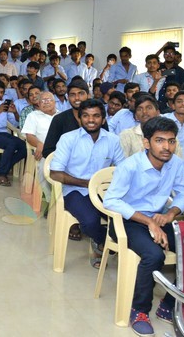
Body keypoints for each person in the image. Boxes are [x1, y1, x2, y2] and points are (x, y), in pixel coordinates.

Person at [102, 116, 184, 335]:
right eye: (160, 140)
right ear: (146, 143)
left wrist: (171, 213)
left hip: (159, 218)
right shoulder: (130, 166)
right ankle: (139, 310)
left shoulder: (175, 164)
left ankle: (169, 305)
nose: (167, 147)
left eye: (171, 141)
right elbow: (111, 200)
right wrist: (149, 221)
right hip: (127, 221)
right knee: (154, 255)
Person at [50, 99, 124, 255]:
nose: (91, 120)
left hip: (104, 191)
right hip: (74, 191)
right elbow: (55, 173)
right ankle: (105, 243)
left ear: (103, 119)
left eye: (96, 116)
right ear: (80, 118)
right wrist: (87, 184)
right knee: (90, 221)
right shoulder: (68, 139)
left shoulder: (113, 140)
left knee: (125, 218)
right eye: (86, 116)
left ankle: (111, 244)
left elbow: (123, 169)